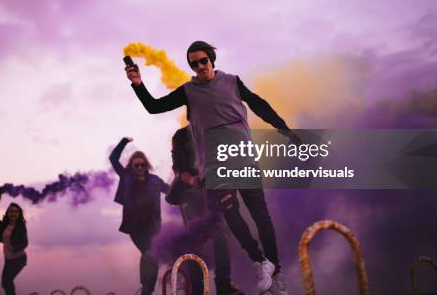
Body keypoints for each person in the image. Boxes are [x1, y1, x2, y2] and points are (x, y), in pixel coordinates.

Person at [125, 41, 298, 295]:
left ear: (212, 60)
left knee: (261, 215)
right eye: (193, 64)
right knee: (231, 214)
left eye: (203, 61)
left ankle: (277, 272)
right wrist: (138, 84)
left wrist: (284, 129)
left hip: (243, 159)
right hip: (216, 166)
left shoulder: (232, 82)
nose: (199, 67)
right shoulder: (189, 91)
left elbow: (258, 104)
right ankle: (259, 262)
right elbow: (154, 106)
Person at [169, 126, 242, 295]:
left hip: (212, 190)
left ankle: (224, 283)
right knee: (196, 239)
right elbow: (178, 169)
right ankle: (198, 288)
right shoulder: (181, 136)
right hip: (189, 192)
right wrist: (192, 180)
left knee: (221, 234)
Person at [109, 136, 170, 295]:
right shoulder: (126, 177)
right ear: (132, 166)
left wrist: (188, 190)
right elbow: (113, 158)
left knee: (153, 255)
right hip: (134, 225)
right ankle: (146, 289)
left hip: (153, 225)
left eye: (142, 165)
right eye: (136, 165)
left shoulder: (155, 180)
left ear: (146, 165)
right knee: (148, 252)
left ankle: (147, 290)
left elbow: (170, 191)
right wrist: (124, 141)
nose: (140, 168)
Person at [0, 193, 28, 295]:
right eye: (11, 211)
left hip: (19, 259)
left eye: (16, 212)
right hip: (8, 260)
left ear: (19, 214)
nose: (13, 213)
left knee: (7, 282)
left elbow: (25, 243)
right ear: (8, 213)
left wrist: (15, 248)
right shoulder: (5, 225)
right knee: (4, 284)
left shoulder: (21, 227)